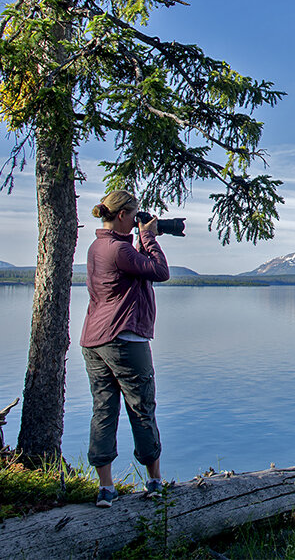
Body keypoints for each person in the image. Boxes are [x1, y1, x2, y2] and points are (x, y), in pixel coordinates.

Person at [80, 190, 170, 507]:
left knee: (103, 410)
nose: (136, 221)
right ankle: (155, 481)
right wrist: (148, 237)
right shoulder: (119, 249)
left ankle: (105, 488)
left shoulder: (96, 246)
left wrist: (142, 236)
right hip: (124, 339)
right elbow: (160, 271)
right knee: (141, 408)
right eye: (134, 216)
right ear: (121, 216)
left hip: (94, 340)